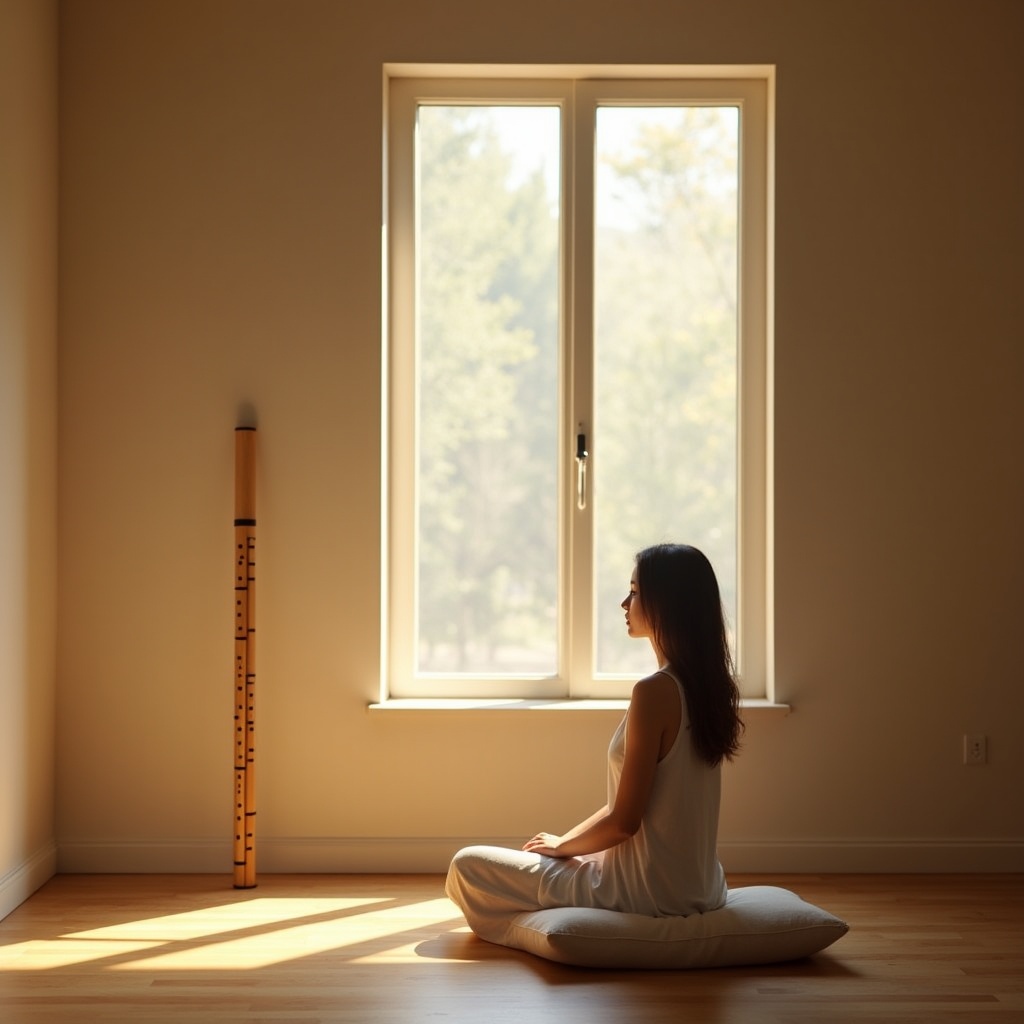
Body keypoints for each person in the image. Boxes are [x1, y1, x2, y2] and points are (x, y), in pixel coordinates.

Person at [445, 543, 744, 943]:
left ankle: (540, 932)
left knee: (467, 866)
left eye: (635, 592)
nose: (625, 602)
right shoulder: (710, 687)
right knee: (560, 856)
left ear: (666, 604)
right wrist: (563, 846)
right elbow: (626, 806)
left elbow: (623, 823)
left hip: (644, 894)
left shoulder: (656, 692)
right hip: (704, 889)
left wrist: (564, 848)